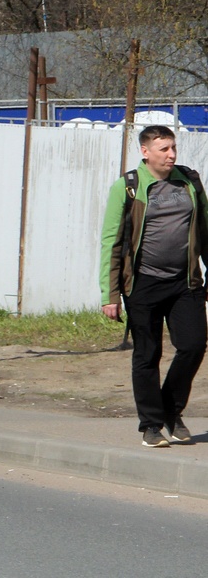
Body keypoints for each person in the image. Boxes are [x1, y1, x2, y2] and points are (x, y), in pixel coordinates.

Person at [100, 124, 208, 448]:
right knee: (147, 354)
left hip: (184, 282)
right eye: (164, 149)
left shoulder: (189, 181)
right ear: (145, 152)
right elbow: (112, 242)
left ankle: (171, 412)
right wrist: (111, 295)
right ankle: (150, 424)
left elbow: (205, 230)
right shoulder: (129, 187)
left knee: (193, 345)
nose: (171, 155)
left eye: (173, 148)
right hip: (142, 285)